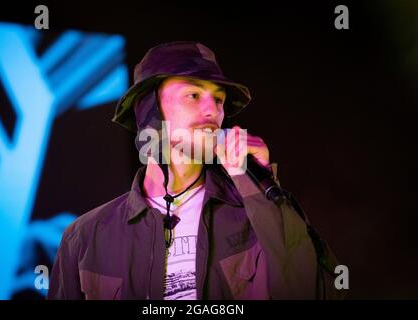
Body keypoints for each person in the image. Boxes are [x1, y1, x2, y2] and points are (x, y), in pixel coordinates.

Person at [48, 41, 344, 300]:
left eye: (218, 99)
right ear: (149, 111)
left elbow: (315, 292)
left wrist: (260, 190)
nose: (212, 111)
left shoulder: (259, 214)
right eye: (193, 95)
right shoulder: (85, 237)